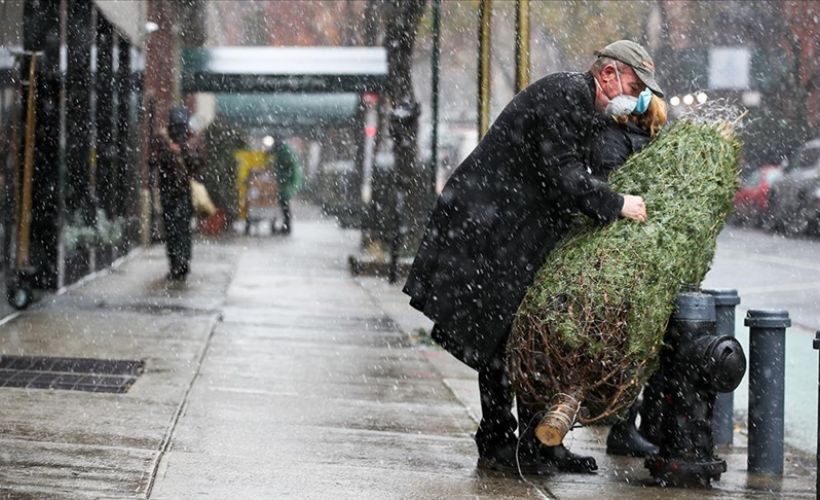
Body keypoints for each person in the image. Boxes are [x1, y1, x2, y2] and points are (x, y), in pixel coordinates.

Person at [403, 40, 663, 475]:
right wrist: (618, 203)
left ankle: (538, 442)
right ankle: (499, 443)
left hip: (510, 226)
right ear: (608, 75)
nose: (634, 95)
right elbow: (564, 174)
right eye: (633, 84)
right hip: (488, 228)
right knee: (499, 337)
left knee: (525, 338)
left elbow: (571, 174)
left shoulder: (581, 103)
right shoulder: (565, 96)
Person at [588, 95, 668, 457]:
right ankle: (620, 422)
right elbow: (614, 180)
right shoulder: (616, 137)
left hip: (630, 246)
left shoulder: (638, 137)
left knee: (628, 337)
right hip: (621, 246)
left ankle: (623, 420)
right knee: (625, 336)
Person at [150, 106, 203, 281]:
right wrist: (167, 150)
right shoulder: (162, 139)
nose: (178, 130)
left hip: (184, 192)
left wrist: (184, 150)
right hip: (168, 191)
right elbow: (152, 161)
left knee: (182, 230)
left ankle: (183, 264)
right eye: (176, 126)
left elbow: (198, 164)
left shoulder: (192, 139)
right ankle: (175, 264)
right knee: (172, 230)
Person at [268, 134, 302, 234]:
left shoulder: (285, 152)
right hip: (286, 183)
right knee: (284, 205)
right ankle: (286, 226)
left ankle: (286, 227)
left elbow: (287, 168)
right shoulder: (282, 151)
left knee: (284, 205)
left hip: (287, 183)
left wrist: (280, 177)